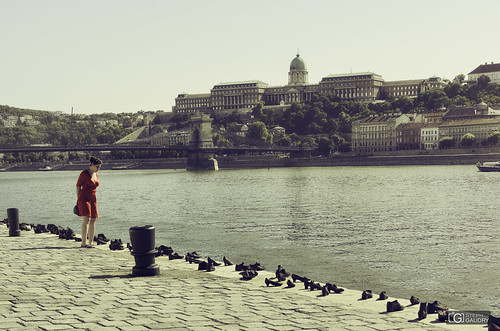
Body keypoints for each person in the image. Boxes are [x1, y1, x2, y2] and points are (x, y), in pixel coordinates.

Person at [76, 156, 102, 248]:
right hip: (84, 198)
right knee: (86, 220)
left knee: (93, 220)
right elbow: (78, 186)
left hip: (93, 199)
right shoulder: (84, 174)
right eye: (97, 167)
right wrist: (78, 199)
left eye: (99, 167)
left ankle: (91, 242)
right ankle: (83, 242)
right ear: (91, 165)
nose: (98, 169)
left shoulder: (96, 174)